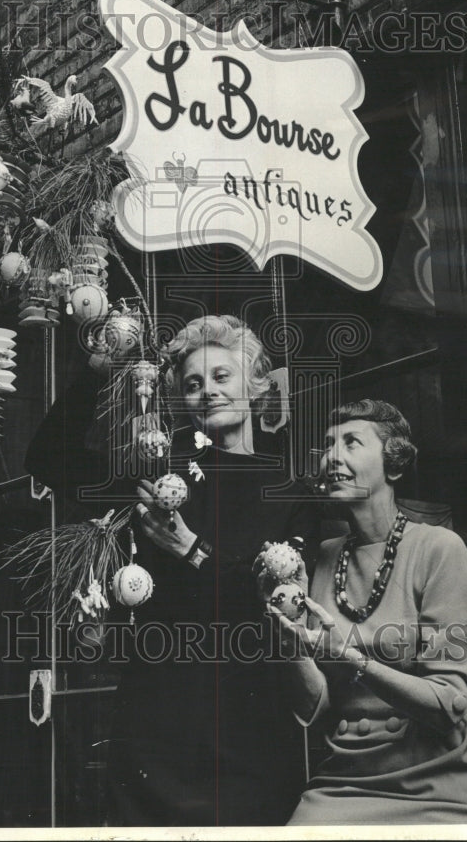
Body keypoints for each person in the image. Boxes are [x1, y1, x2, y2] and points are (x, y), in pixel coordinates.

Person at [26, 314, 319, 826]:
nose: (207, 392)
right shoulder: (158, 474)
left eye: (222, 377)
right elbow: (49, 457)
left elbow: (277, 605)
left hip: (250, 723)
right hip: (157, 721)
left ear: (254, 386)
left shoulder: (289, 492)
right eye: (192, 384)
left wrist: (191, 549)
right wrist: (100, 368)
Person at [267, 399, 467, 825]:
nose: (333, 457)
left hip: (440, 777)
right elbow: (317, 709)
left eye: (351, 443)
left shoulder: (439, 548)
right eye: (328, 445)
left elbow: (450, 703)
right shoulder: (324, 557)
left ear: (395, 465)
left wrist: (351, 658)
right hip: (345, 779)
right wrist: (291, 635)